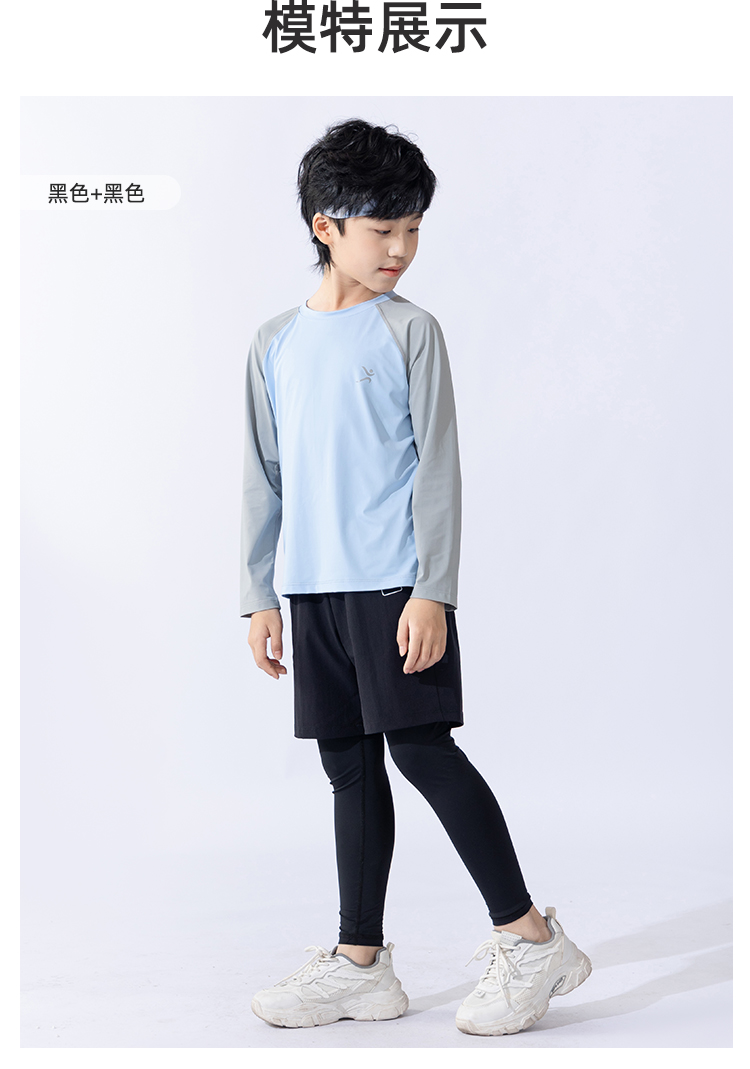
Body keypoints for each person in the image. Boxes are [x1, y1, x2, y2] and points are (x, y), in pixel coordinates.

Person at [240, 118, 591, 1037]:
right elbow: (264, 474)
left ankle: (532, 939)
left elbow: (438, 468)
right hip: (313, 590)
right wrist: (258, 593)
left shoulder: (410, 331)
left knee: (424, 750)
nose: (400, 248)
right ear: (325, 227)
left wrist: (435, 587)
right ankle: (360, 963)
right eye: (381, 229)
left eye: (413, 229)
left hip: (397, 585)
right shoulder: (274, 342)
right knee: (348, 768)